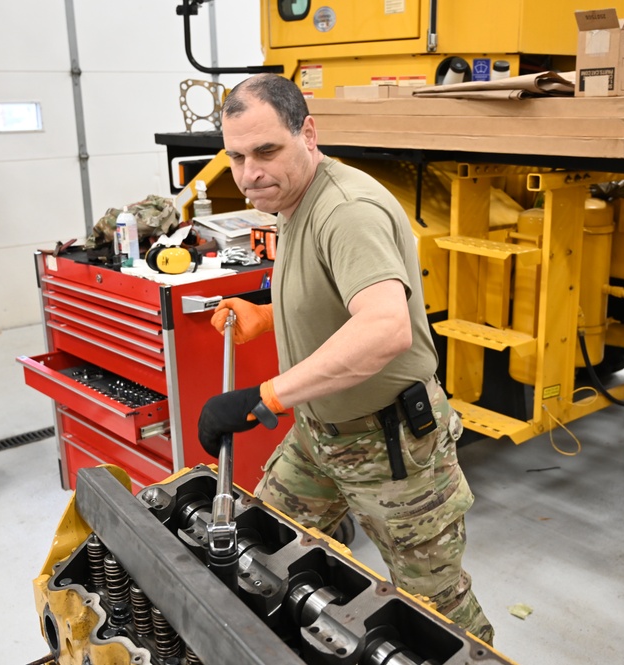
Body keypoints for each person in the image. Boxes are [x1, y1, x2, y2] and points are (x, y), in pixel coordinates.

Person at [196, 73, 495, 645]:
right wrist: (268, 314)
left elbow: (384, 330)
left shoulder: (347, 209)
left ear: (308, 133)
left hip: (391, 447)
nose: (248, 173)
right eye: (235, 156)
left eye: (265, 151)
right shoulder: (292, 196)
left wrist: (266, 395)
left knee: (437, 617)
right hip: (319, 433)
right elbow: (333, 293)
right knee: (264, 548)